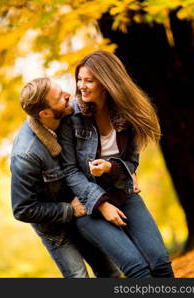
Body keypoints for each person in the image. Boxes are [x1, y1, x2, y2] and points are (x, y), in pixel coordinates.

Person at [58, 50, 175, 278]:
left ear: (106, 81)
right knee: (137, 269)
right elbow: (70, 170)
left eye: (89, 80)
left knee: (160, 262)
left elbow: (131, 161)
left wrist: (111, 168)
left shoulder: (126, 115)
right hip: (88, 205)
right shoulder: (72, 118)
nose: (82, 86)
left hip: (123, 193)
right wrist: (101, 204)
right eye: (79, 80)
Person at [10, 77, 122, 278]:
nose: (68, 96)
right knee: (79, 277)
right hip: (54, 226)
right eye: (60, 97)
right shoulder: (25, 155)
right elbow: (22, 210)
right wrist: (70, 210)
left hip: (81, 209)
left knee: (110, 272)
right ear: (45, 113)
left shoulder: (67, 114)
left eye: (63, 91)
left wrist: (128, 170)